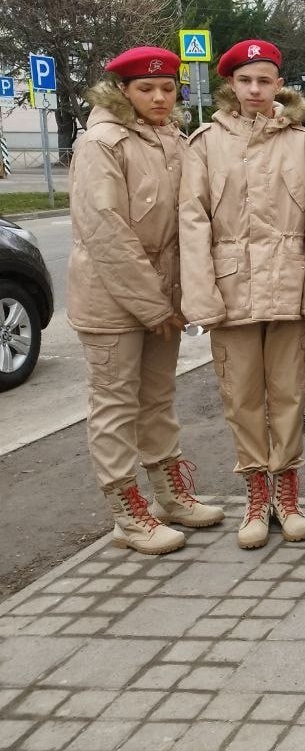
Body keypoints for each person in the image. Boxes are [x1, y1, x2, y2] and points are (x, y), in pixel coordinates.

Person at [180, 39, 305, 550]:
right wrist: (202, 298)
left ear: (278, 85)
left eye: (264, 80)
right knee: (242, 396)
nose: (254, 89)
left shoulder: (304, 144)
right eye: (245, 80)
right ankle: (255, 493)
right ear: (230, 84)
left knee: (289, 394)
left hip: (290, 287)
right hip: (232, 290)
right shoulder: (205, 144)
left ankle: (287, 494)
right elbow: (192, 224)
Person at [68, 47, 224, 555]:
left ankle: (169, 495)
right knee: (115, 404)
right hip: (112, 298)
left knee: (157, 398)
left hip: (163, 295)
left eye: (167, 88)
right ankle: (126, 513)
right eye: (146, 89)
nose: (159, 97)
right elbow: (105, 231)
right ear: (123, 91)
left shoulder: (172, 138)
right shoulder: (101, 143)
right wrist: (152, 305)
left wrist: (177, 296)